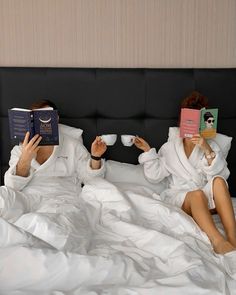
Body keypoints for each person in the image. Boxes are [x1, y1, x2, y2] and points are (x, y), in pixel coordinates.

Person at [134, 91, 236, 255]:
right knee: (196, 195)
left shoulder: (210, 145)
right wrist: (148, 151)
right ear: (182, 121)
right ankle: (218, 241)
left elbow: (222, 176)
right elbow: (154, 176)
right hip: (182, 198)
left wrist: (206, 147)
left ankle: (233, 239)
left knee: (217, 181)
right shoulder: (170, 147)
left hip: (206, 198)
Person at [1, 99, 107, 223]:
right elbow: (12, 186)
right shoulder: (21, 149)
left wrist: (95, 156)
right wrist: (25, 158)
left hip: (61, 197)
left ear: (55, 118)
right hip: (28, 197)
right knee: (2, 197)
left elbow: (90, 178)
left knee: (46, 224)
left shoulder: (72, 145)